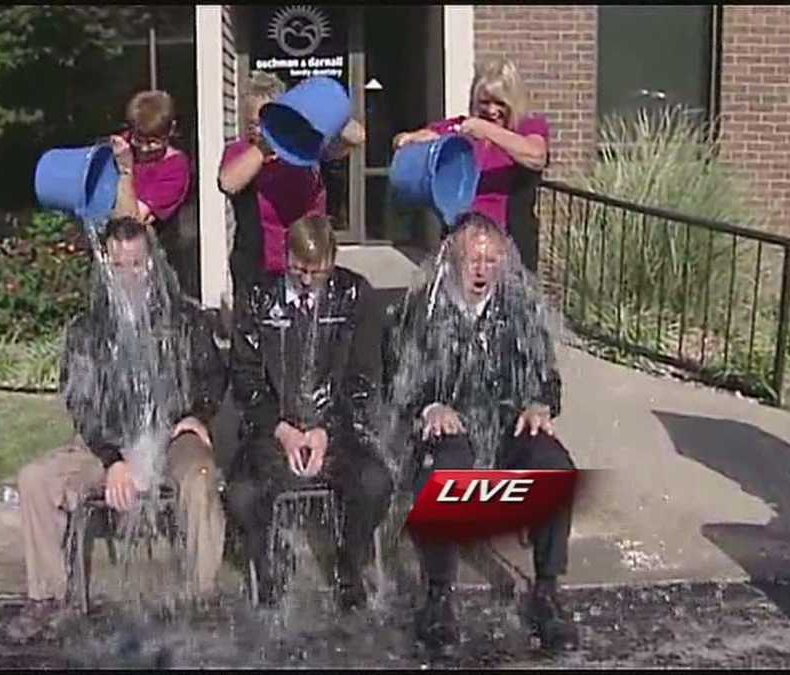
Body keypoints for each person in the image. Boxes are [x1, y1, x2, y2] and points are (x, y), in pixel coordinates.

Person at [7, 216, 227, 642]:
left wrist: (198, 414)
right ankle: (48, 598)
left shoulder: (184, 319)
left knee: (200, 478)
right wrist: (113, 461)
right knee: (34, 480)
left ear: (153, 264)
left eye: (137, 264)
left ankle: (204, 597)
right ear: (105, 266)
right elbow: (82, 405)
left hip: (169, 438)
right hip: (104, 444)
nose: (129, 274)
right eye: (119, 265)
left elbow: (213, 376)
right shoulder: (87, 330)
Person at [383, 212, 578, 652]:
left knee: (554, 465)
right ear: (452, 255)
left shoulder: (517, 308)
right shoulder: (421, 308)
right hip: (448, 426)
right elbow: (395, 378)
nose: (482, 270)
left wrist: (540, 403)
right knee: (447, 468)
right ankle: (438, 595)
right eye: (474, 259)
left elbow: (546, 375)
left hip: (506, 422)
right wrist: (429, 407)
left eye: (492, 261)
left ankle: (547, 589)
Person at [225, 214, 392, 612]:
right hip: (272, 429)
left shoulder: (355, 295)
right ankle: (271, 567)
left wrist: (325, 431)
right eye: (299, 270)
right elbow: (245, 378)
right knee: (242, 493)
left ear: (333, 261)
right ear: (285, 258)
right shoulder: (257, 297)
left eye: (317, 273)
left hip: (334, 428)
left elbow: (363, 376)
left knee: (375, 483)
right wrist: (280, 429)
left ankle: (349, 565)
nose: (306, 281)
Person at [219, 72, 365, 312]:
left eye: (262, 121)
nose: (257, 129)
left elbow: (356, 136)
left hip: (309, 261)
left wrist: (312, 114)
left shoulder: (309, 146)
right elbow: (228, 182)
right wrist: (269, 143)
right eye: (252, 123)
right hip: (261, 267)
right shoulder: (242, 152)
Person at [392, 58, 550, 272]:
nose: (492, 110)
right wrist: (410, 140)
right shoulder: (461, 127)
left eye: (500, 103)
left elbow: (537, 156)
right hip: (461, 247)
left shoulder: (529, 127)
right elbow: (408, 139)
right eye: (485, 102)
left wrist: (487, 131)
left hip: (508, 248)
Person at [109, 90, 197, 295]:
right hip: (115, 263)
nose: (145, 149)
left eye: (155, 141)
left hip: (153, 268)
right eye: (140, 140)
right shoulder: (122, 147)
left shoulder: (175, 168)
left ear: (171, 130)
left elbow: (131, 222)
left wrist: (126, 171)